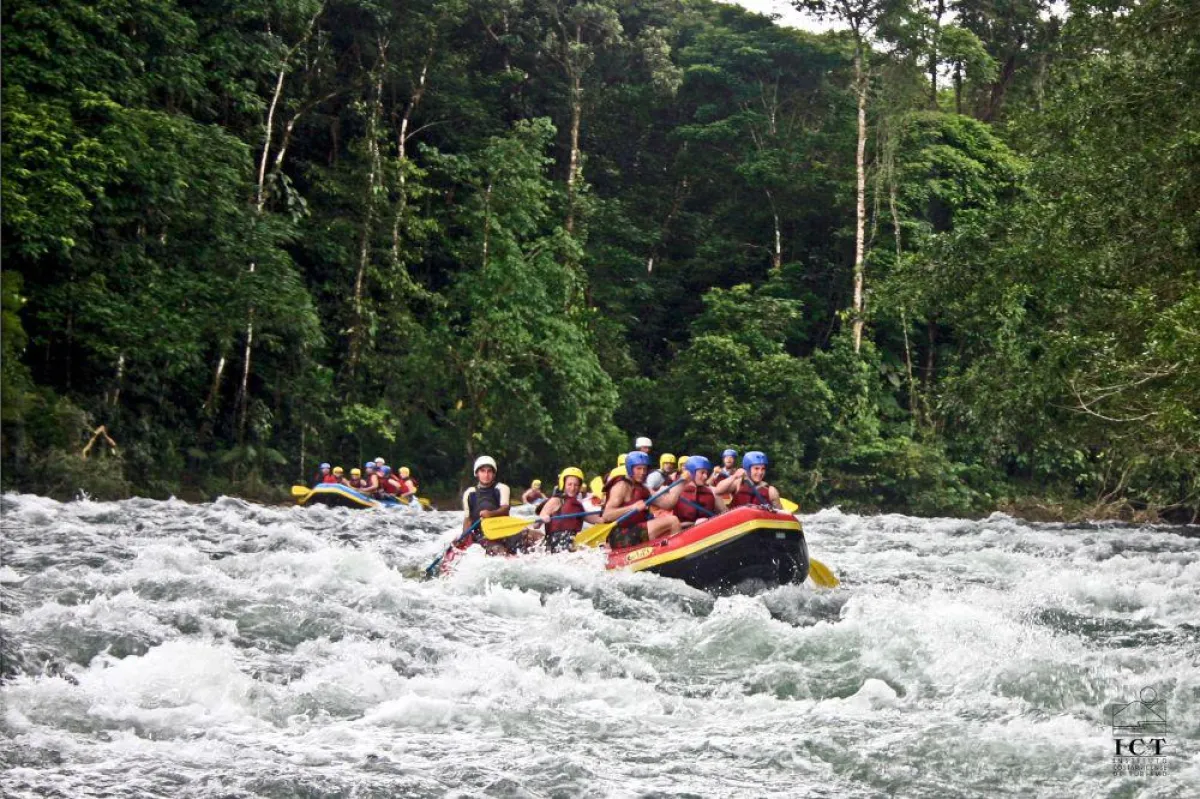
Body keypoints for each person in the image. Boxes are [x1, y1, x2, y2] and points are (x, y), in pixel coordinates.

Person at [601, 451, 681, 548]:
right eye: (638, 468)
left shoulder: (643, 487)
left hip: (636, 531)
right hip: (621, 535)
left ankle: (665, 553)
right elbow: (607, 515)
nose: (642, 472)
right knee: (673, 521)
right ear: (630, 469)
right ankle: (675, 554)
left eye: (645, 469)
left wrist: (682, 483)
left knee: (668, 528)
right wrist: (632, 507)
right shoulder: (621, 486)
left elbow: (668, 504)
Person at [460, 455, 522, 553]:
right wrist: (463, 538)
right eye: (482, 471)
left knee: (534, 535)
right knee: (499, 551)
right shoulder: (469, 493)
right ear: (476, 473)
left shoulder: (502, 488)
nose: (486, 474)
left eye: (489, 471)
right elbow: (467, 520)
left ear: (494, 474)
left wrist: (490, 514)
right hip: (482, 535)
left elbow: (505, 509)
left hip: (503, 530)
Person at [538, 467, 603, 552]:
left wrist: (613, 516)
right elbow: (541, 517)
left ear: (580, 486)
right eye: (569, 484)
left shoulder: (578, 506)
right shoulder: (556, 500)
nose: (572, 488)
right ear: (563, 484)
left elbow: (598, 520)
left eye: (576, 485)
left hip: (571, 543)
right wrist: (544, 517)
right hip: (553, 545)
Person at [714, 451, 781, 509]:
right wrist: (734, 476)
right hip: (735, 521)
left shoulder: (771, 491)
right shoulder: (739, 483)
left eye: (763, 469)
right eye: (756, 468)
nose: (760, 472)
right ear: (747, 469)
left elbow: (781, 515)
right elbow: (717, 491)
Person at [673, 456, 726, 528]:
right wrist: (694, 524)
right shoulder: (675, 493)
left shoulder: (713, 492)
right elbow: (670, 526)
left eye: (706, 473)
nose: (705, 476)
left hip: (709, 533)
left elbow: (726, 515)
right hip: (682, 534)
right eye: (702, 473)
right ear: (691, 472)